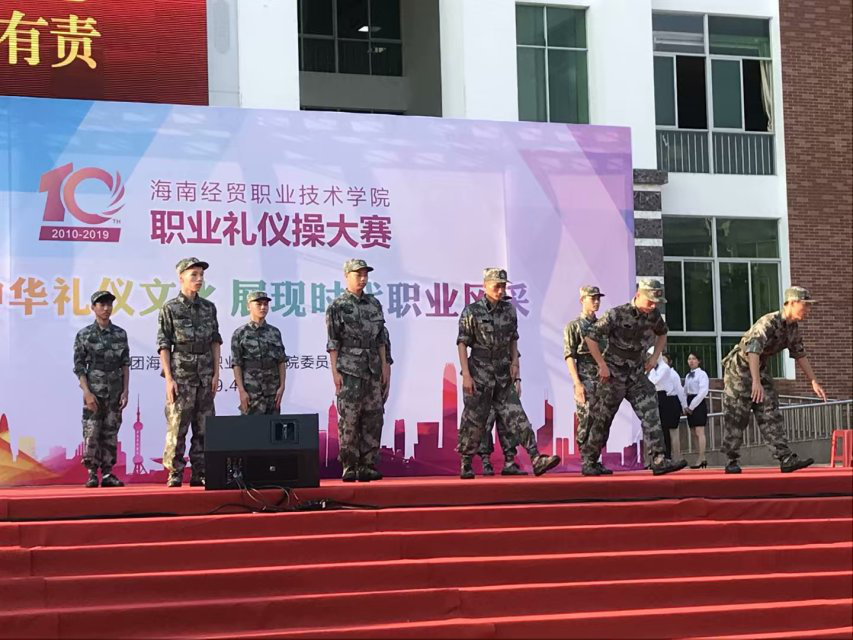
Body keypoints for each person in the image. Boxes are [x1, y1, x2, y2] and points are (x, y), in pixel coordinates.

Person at [456, 268, 560, 479]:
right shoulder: (471, 311)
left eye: (503, 286)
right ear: (485, 286)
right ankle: (466, 463)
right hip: (479, 374)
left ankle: (536, 458)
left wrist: (515, 365)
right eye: (497, 286)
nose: (501, 290)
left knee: (517, 416)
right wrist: (466, 374)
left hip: (503, 375)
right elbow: (462, 343)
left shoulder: (509, 311)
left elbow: (513, 339)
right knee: (474, 420)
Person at [582, 279, 687, 476]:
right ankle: (590, 461)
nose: (653, 306)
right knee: (603, 418)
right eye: (650, 302)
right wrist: (602, 365)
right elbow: (590, 337)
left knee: (651, 411)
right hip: (613, 373)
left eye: (656, 303)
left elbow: (662, 333)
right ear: (638, 295)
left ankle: (658, 459)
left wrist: (654, 358)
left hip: (636, 373)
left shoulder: (654, 315)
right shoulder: (616, 314)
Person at [721, 286, 827, 474]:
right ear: (792, 303)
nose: (808, 310)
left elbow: (800, 354)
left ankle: (785, 458)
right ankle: (731, 460)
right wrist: (756, 382)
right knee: (738, 414)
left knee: (770, 410)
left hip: (759, 368)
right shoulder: (768, 322)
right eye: (806, 305)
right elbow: (753, 350)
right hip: (739, 370)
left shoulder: (793, 329)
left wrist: (813, 381)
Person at [157, 257, 222, 487]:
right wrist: (169, 379)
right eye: (194, 274)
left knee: (204, 427)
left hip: (205, 374)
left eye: (201, 275)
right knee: (177, 426)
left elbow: (215, 341)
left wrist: (216, 373)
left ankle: (200, 471)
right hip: (181, 375)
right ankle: (175, 472)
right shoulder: (170, 308)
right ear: (181, 277)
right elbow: (164, 345)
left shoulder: (208, 308)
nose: (199, 279)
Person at [326, 259, 391, 482]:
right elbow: (333, 342)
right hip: (349, 369)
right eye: (358, 275)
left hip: (372, 367)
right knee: (349, 418)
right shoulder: (338, 306)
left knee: (374, 416)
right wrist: (335, 372)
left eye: (365, 275)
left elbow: (381, 339)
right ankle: (349, 465)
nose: (362, 279)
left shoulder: (374, 304)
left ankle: (367, 464)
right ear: (347, 276)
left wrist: (384, 366)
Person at [73, 290, 130, 488]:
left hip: (115, 392)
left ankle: (107, 473)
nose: (106, 308)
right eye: (102, 305)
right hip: (94, 392)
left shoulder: (120, 334)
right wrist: (87, 393)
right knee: (91, 433)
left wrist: (126, 391)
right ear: (93, 308)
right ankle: (91, 473)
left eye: (109, 305)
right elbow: (79, 367)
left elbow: (125, 364)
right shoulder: (84, 335)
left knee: (111, 433)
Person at [564, 285, 609, 473]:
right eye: (593, 298)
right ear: (582, 300)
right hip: (585, 374)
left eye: (598, 298)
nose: (596, 302)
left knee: (602, 419)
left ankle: (595, 459)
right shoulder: (574, 326)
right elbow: (569, 356)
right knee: (587, 417)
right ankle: (586, 461)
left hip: (603, 378)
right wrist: (577, 383)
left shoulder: (602, 326)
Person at [231, 291, 287, 415]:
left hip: (272, 390)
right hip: (252, 390)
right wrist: (241, 391)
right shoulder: (240, 333)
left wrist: (282, 386)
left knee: (273, 425)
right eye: (259, 304)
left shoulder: (274, 332)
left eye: (265, 304)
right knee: (251, 425)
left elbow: (281, 361)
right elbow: (236, 364)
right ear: (248, 306)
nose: (263, 307)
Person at [648, 352, 687, 460]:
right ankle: (666, 456)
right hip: (660, 399)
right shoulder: (656, 370)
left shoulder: (666, 370)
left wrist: (684, 405)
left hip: (670, 401)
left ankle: (676, 457)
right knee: (663, 431)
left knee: (672, 431)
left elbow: (679, 389)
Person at [684, 352, 710, 468]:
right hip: (689, 400)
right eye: (689, 359)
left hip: (698, 403)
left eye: (694, 359)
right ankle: (700, 456)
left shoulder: (702, 374)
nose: (691, 361)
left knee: (700, 431)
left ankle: (701, 457)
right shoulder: (687, 375)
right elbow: (685, 391)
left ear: (698, 361)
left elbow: (703, 392)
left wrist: (692, 406)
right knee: (693, 432)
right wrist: (685, 405)